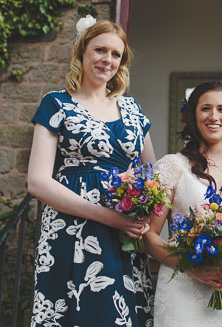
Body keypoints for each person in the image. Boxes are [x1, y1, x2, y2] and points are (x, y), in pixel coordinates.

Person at [26, 16, 156, 327]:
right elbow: (38, 182)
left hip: (122, 231)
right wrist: (107, 215)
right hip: (70, 231)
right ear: (82, 52)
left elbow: (151, 171)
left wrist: (140, 207)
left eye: (115, 54)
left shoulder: (134, 109)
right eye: (100, 50)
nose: (107, 60)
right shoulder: (56, 104)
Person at [145, 81, 222, 327]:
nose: (214, 116)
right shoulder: (172, 166)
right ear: (192, 115)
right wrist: (191, 267)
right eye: (206, 109)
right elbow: (149, 236)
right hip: (182, 296)